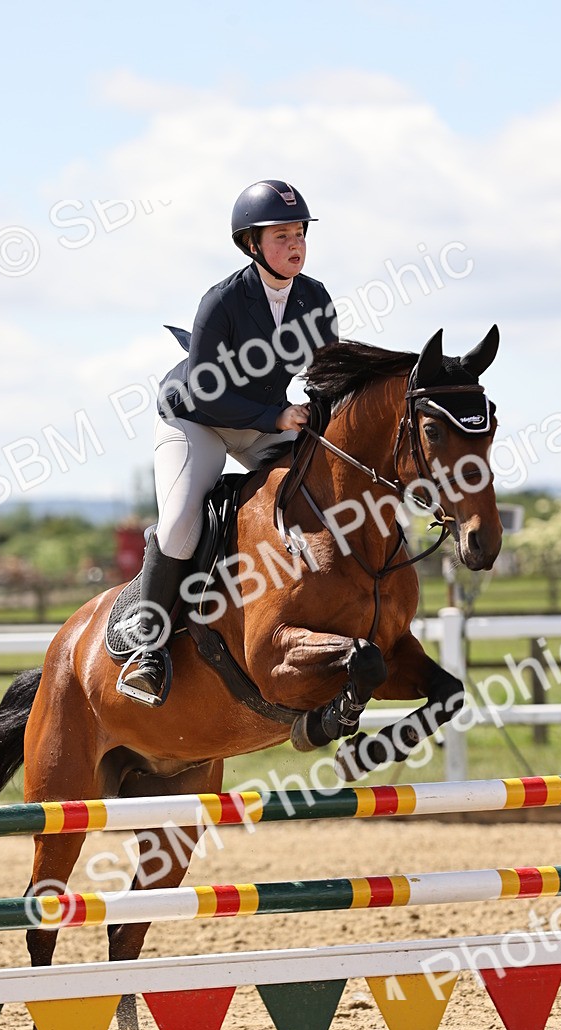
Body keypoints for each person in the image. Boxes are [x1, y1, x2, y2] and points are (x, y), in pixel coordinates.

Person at [121, 179, 338, 705]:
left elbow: (329, 373)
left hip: (263, 421)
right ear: (251, 244)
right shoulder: (222, 300)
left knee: (317, 491)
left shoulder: (313, 297)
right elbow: (205, 390)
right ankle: (147, 648)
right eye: (281, 236)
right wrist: (276, 416)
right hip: (195, 419)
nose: (295, 244)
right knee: (181, 521)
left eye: (300, 234)